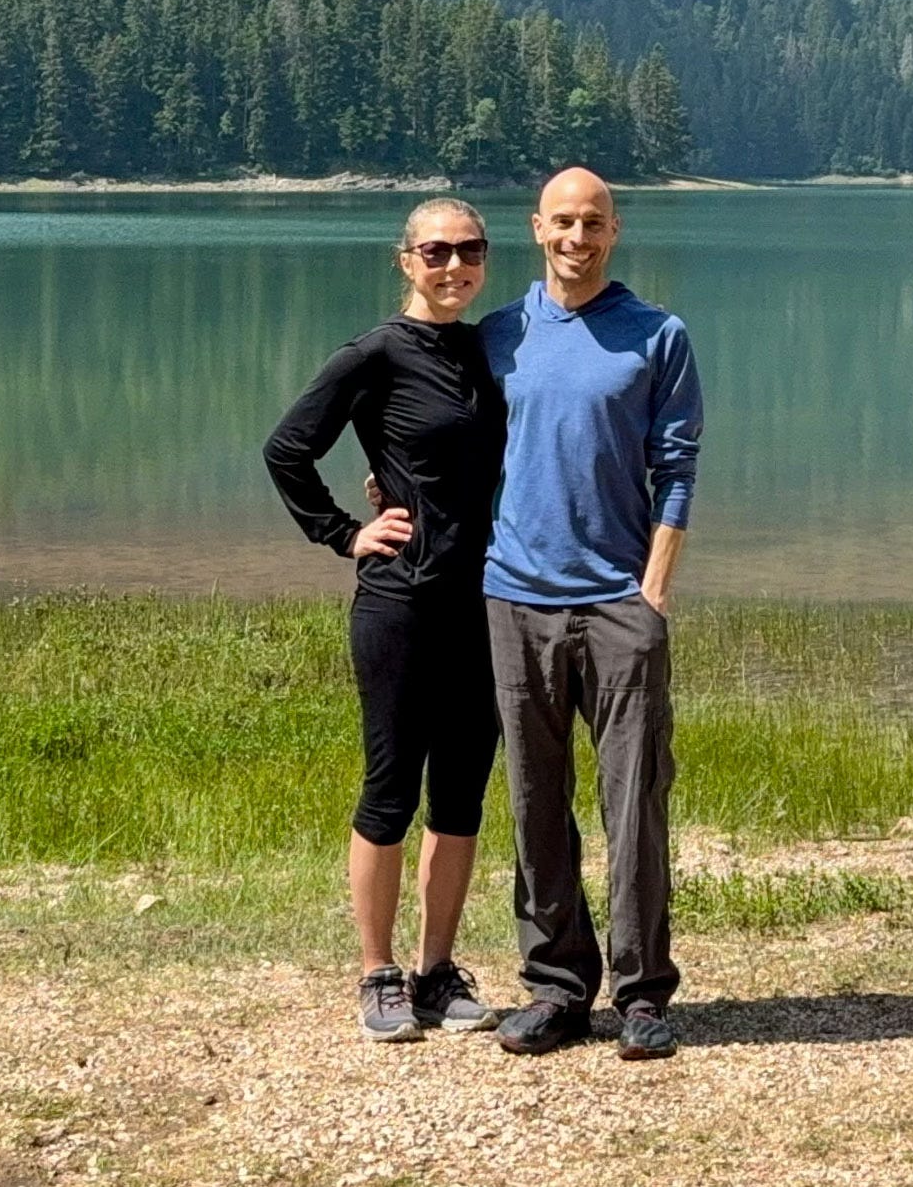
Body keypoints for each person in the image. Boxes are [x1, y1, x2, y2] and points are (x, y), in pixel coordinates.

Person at [263, 196, 512, 1043]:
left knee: (461, 793)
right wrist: (345, 533)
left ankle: (435, 972)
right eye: (435, 251)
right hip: (400, 602)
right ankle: (377, 974)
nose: (454, 265)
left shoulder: (487, 351)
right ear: (405, 260)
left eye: (469, 250)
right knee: (390, 788)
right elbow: (286, 449)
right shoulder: (373, 353)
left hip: (485, 602)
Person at [480, 166, 702, 1061]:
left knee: (633, 803)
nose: (578, 237)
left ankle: (642, 994)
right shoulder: (500, 335)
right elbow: (457, 448)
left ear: (614, 232)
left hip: (618, 603)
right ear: (537, 228)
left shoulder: (657, 335)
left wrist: (653, 589)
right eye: (564, 222)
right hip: (515, 598)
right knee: (535, 801)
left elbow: (676, 468)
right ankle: (556, 988)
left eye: (594, 223)